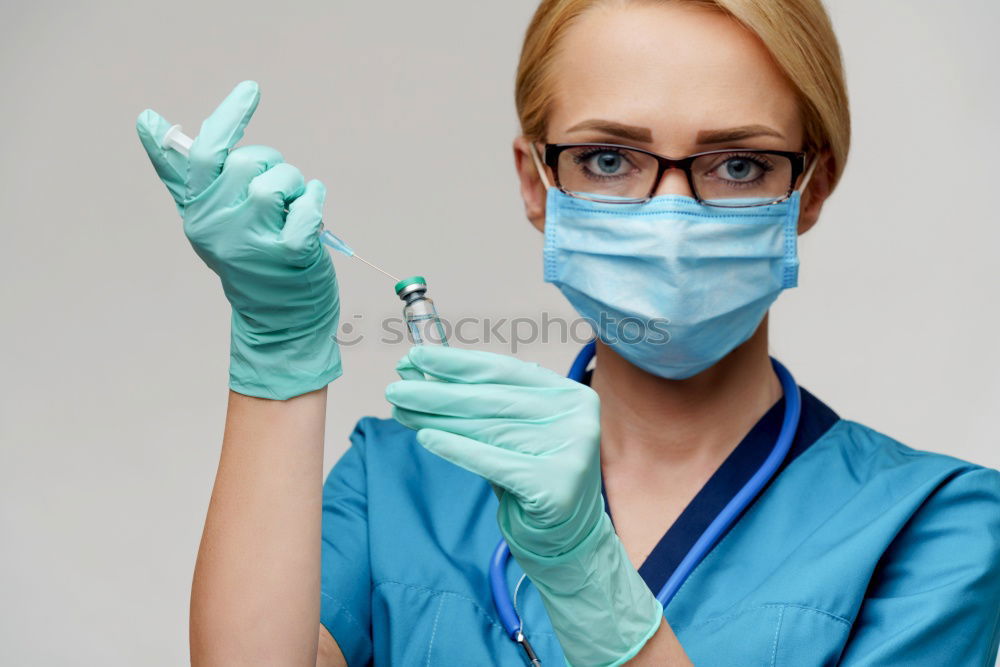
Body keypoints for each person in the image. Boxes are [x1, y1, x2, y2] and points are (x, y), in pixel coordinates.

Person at [136, 0, 1000, 665]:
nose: (670, 215)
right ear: (538, 183)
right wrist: (278, 351)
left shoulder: (933, 525)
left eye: (737, 163)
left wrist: (594, 585)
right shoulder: (400, 483)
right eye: (610, 158)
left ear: (809, 189)